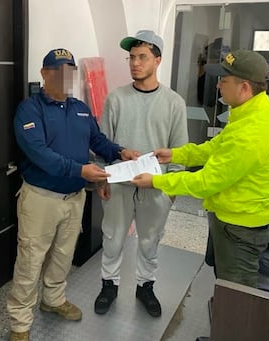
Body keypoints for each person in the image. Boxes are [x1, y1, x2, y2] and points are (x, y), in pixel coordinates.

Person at [7, 48, 139, 341]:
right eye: (59, 71)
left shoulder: (80, 108)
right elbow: (39, 154)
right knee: (30, 261)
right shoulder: (30, 109)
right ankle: (20, 324)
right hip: (41, 198)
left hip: (74, 199)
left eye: (71, 71)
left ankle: (52, 300)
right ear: (45, 74)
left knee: (63, 256)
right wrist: (81, 171)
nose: (66, 77)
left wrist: (120, 152)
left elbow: (98, 140)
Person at [132, 49, 269, 289]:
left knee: (237, 294)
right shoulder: (252, 111)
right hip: (233, 215)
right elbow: (217, 147)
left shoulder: (252, 131)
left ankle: (232, 326)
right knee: (226, 283)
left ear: (244, 87)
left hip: (241, 227)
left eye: (224, 82)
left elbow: (206, 182)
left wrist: (157, 181)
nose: (218, 87)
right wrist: (176, 154)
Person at [94, 30, 188, 317]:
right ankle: (109, 284)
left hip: (156, 186)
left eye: (142, 57)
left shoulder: (174, 103)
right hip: (119, 184)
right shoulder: (116, 99)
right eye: (131, 57)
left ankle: (145, 286)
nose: (135, 63)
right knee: (112, 237)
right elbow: (103, 142)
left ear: (157, 60)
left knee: (150, 239)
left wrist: (171, 191)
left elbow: (180, 150)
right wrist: (102, 177)